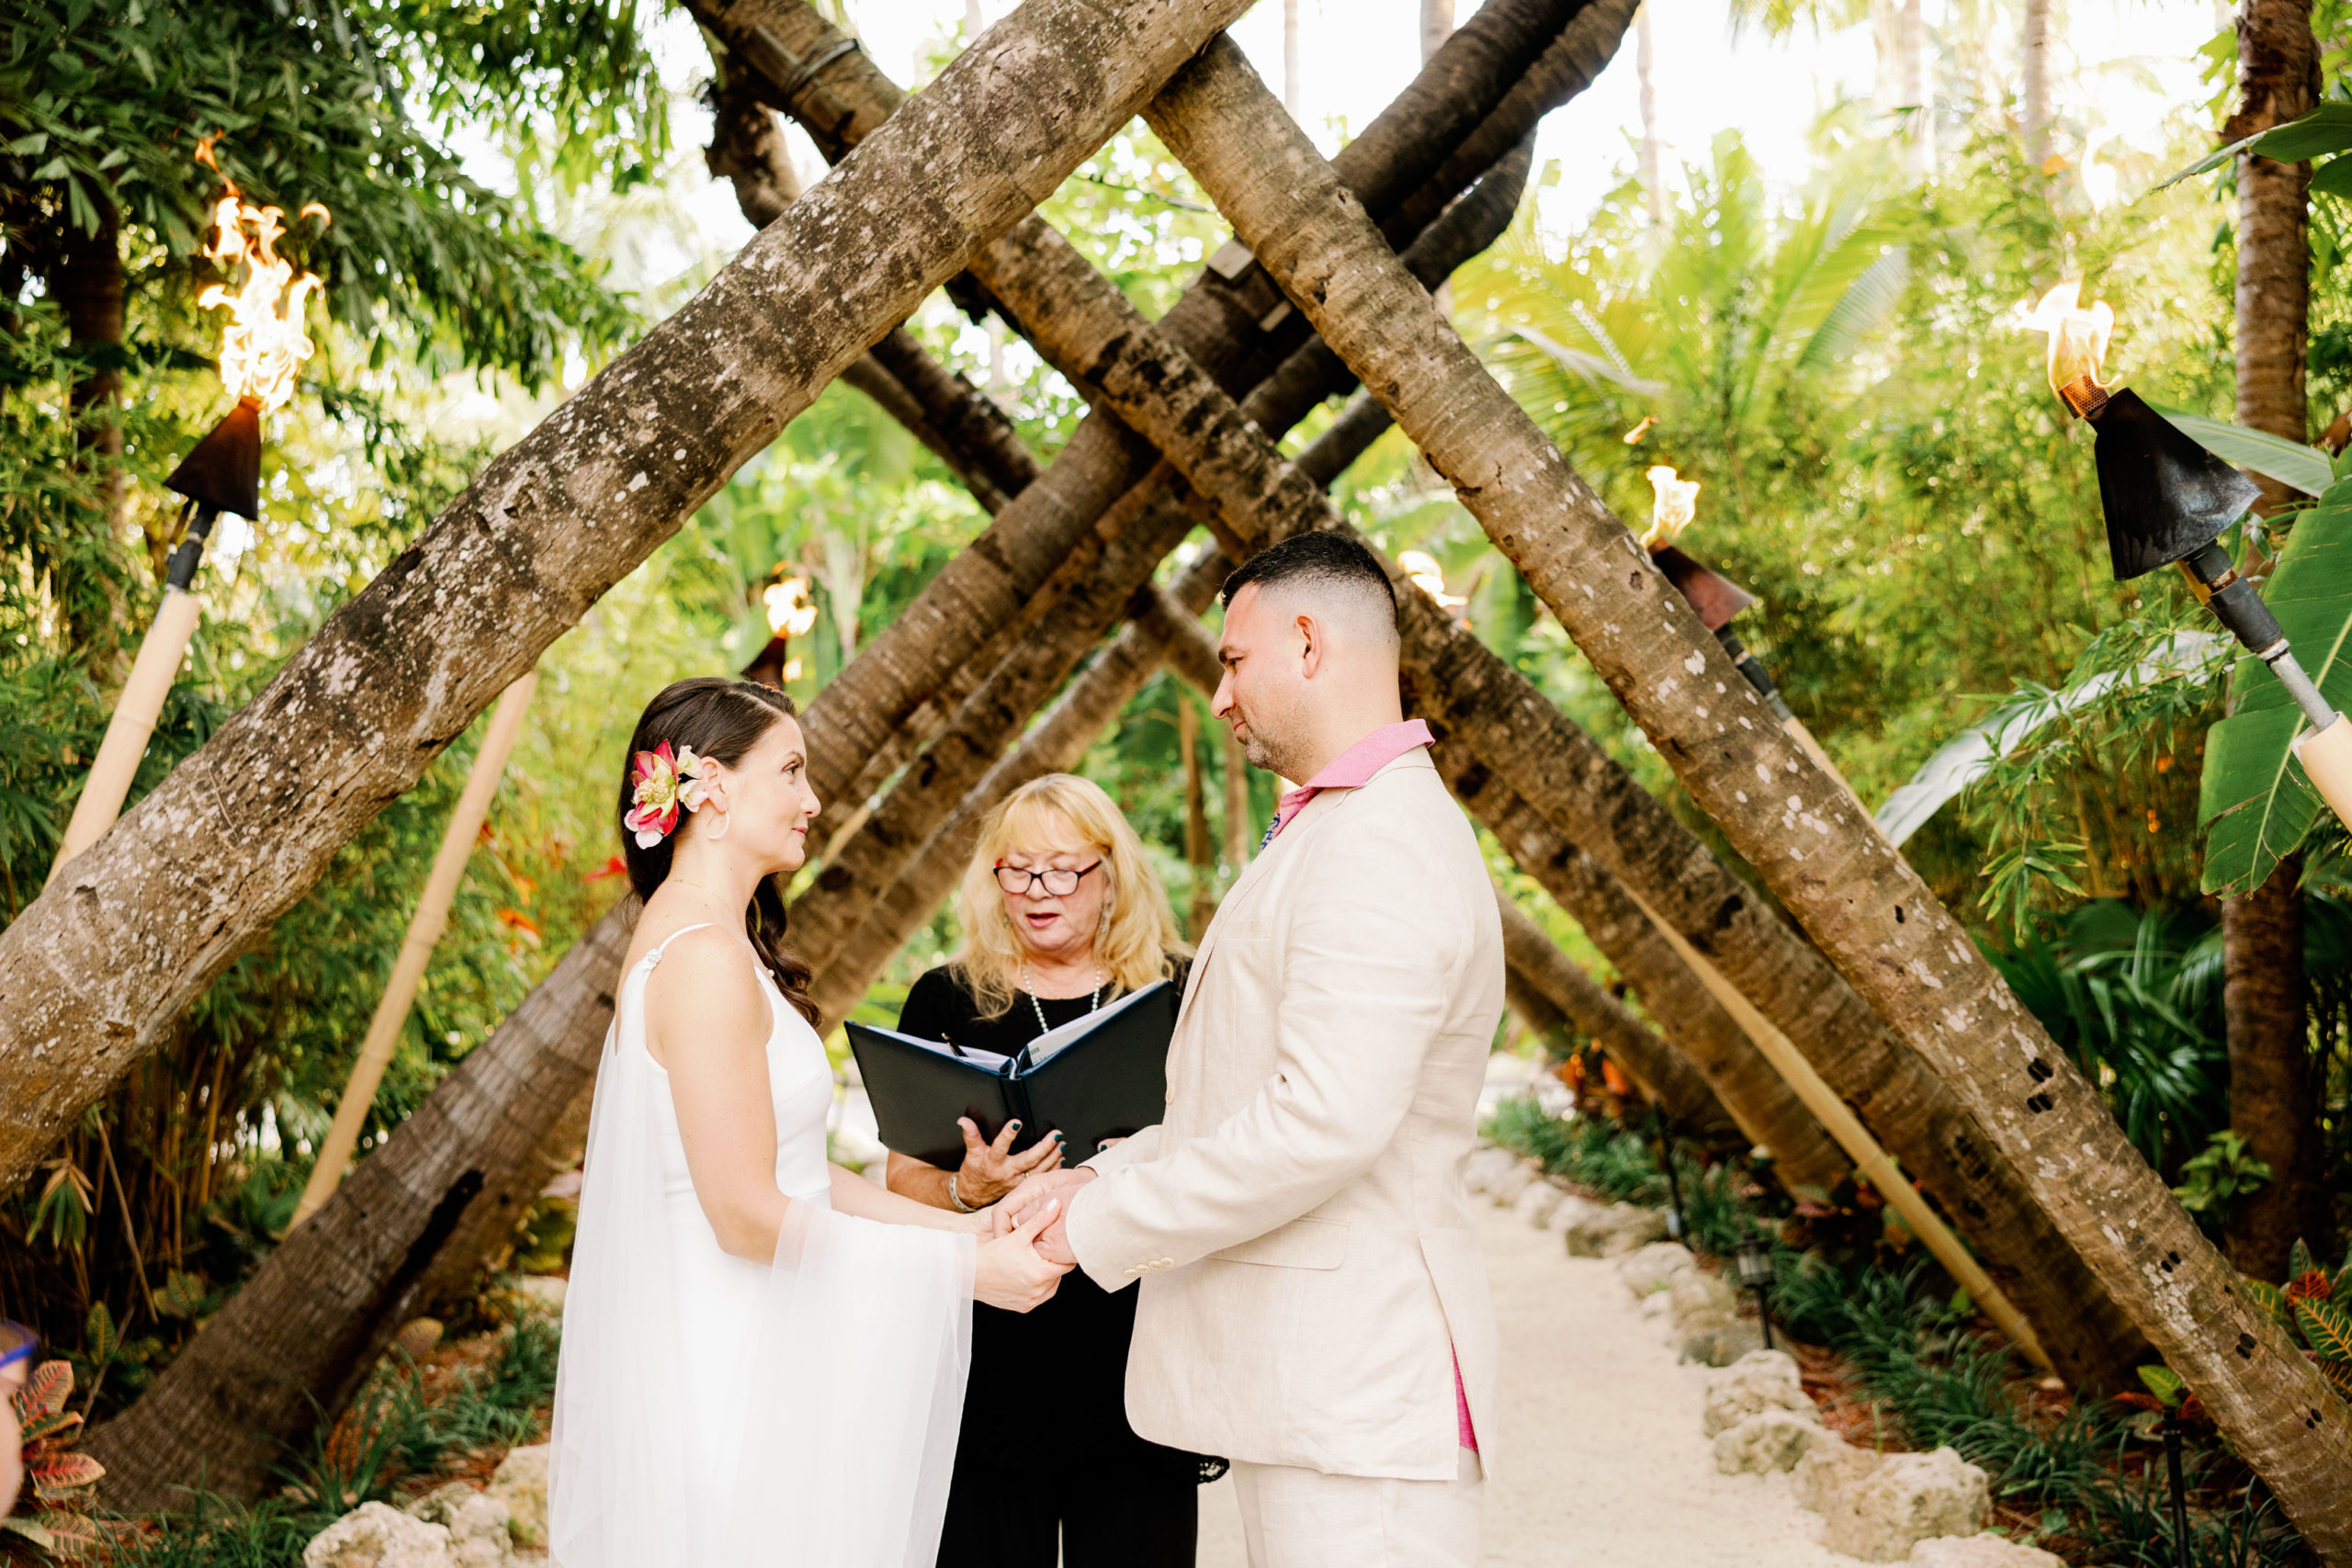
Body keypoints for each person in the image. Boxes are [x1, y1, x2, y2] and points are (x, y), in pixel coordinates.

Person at [1001, 532, 1505, 1568]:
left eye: (1233, 661)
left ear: (1308, 643)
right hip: (1317, 1391)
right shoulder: (1342, 826)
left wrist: (1089, 1227)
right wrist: (1093, 1174)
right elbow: (1243, 1098)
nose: (1220, 695)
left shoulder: (1378, 843)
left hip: (1356, 1396)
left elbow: (1321, 1121)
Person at [551, 678, 1070, 1568]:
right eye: (790, 771)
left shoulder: (711, 939)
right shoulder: (703, 959)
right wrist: (964, 1270)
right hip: (728, 1381)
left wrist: (971, 1224)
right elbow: (748, 1218)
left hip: (762, 1358)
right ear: (710, 787)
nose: (813, 800)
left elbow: (799, 1178)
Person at [886, 774, 1202, 1568]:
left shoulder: (1177, 990)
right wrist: (967, 1187)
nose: (1037, 891)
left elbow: (1224, 1148)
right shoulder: (945, 999)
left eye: (1062, 869)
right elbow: (901, 1179)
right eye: (1016, 869)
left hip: (1137, 1348)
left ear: (1110, 875)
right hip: (991, 1361)